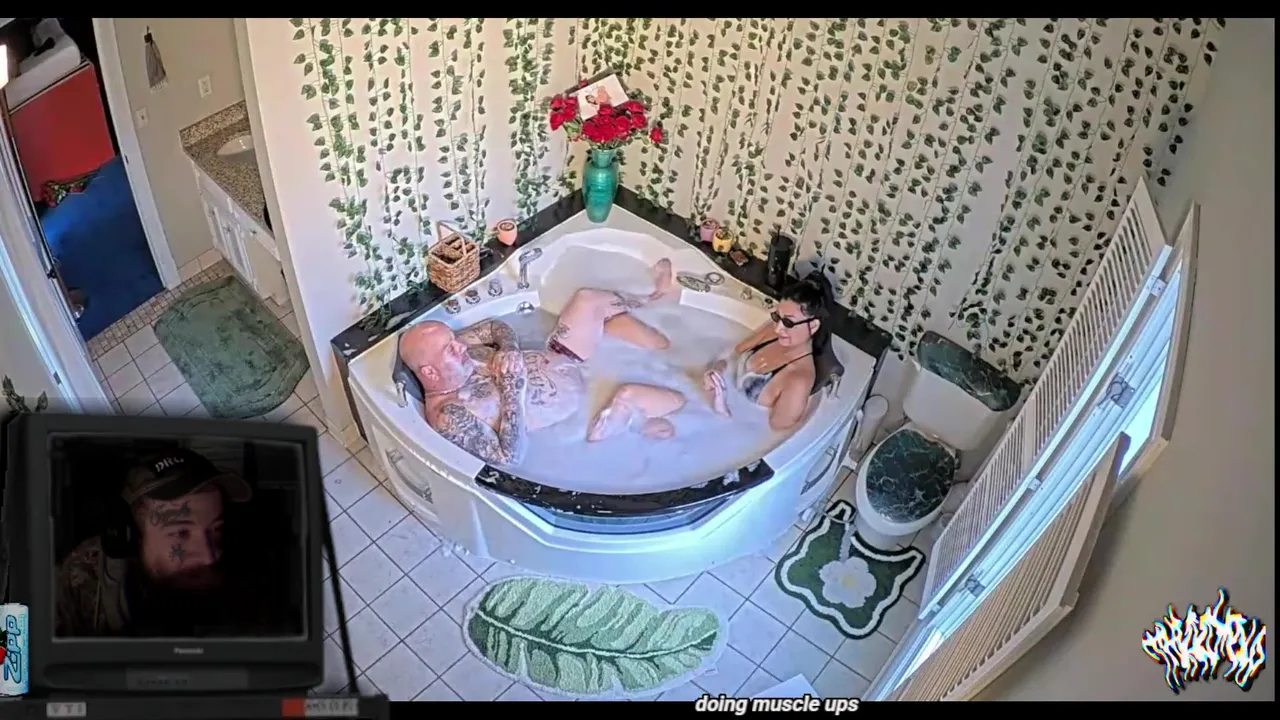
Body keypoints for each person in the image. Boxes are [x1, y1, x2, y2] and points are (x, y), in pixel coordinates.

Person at [399, 258, 688, 464]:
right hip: (585, 410)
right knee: (672, 398)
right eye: (450, 349)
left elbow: (494, 327)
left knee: (587, 299)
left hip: (565, 356)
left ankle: (653, 297)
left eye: (454, 340)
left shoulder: (454, 349)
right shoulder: (450, 415)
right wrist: (512, 389)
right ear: (430, 372)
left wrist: (509, 348)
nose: (460, 345)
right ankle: (637, 418)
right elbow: (508, 458)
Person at [54, 448, 254, 637]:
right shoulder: (78, 581)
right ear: (131, 537)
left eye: (216, 529)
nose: (209, 557)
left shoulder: (249, 580)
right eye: (181, 532)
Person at [703, 274, 833, 431]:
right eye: (778, 317)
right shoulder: (775, 331)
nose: (778, 328)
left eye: (788, 322)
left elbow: (775, 430)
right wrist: (717, 370)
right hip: (710, 405)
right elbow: (735, 351)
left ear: (813, 326)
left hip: (729, 425)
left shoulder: (798, 380)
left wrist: (724, 411)